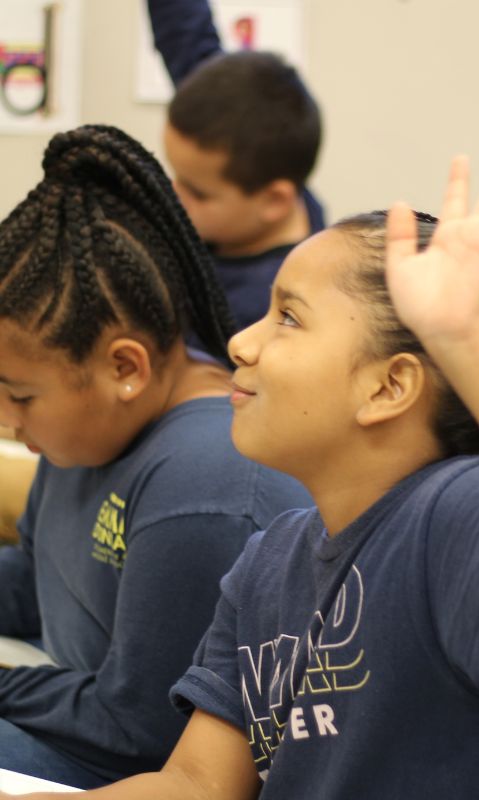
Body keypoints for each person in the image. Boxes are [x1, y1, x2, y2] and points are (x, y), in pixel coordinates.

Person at [3, 143, 479, 799]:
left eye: (288, 317)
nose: (241, 342)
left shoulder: (452, 513)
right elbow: (196, 782)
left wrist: (467, 340)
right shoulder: (269, 563)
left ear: (388, 388)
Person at [0, 125, 310, 790]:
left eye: (20, 395)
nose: (5, 418)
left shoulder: (209, 482)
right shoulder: (89, 425)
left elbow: (142, 730)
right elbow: (36, 584)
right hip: (78, 722)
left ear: (124, 368)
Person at [147, 0, 325, 332]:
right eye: (177, 176)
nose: (173, 195)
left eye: (197, 193)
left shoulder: (262, 317)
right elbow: (183, 32)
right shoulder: (241, 143)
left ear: (274, 201)